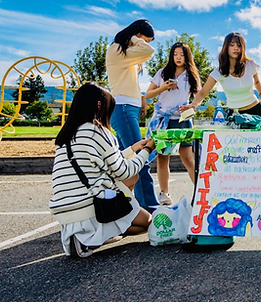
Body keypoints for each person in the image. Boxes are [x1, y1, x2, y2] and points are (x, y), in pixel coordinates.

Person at [49, 83, 154, 258]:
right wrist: (147, 151)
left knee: (127, 183)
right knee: (147, 222)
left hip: (64, 209)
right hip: (91, 206)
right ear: (99, 105)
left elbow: (103, 161)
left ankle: (88, 237)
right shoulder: (97, 131)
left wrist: (132, 149)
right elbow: (123, 172)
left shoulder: (66, 134)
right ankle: (93, 239)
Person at [106, 19, 160, 212]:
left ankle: (122, 205)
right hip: (122, 107)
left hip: (130, 107)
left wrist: (141, 98)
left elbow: (128, 81)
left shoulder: (126, 53)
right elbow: (148, 51)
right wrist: (135, 38)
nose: (147, 44)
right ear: (137, 35)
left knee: (122, 161)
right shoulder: (116, 49)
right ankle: (151, 207)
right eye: (146, 39)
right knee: (141, 157)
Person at [144, 42, 201, 205]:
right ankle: (164, 194)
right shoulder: (163, 73)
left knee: (188, 157)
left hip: (182, 120)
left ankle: (199, 189)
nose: (178, 57)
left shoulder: (192, 75)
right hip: (164, 120)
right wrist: (163, 88)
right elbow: (148, 94)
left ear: (187, 56)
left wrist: (192, 106)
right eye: (175, 54)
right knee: (163, 157)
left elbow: (199, 96)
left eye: (182, 54)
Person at [187, 32, 261, 126]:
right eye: (232, 45)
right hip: (235, 116)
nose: (236, 48)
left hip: (256, 113)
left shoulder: (250, 65)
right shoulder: (219, 71)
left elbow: (257, 81)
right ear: (226, 47)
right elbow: (203, 92)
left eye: (239, 45)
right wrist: (193, 105)